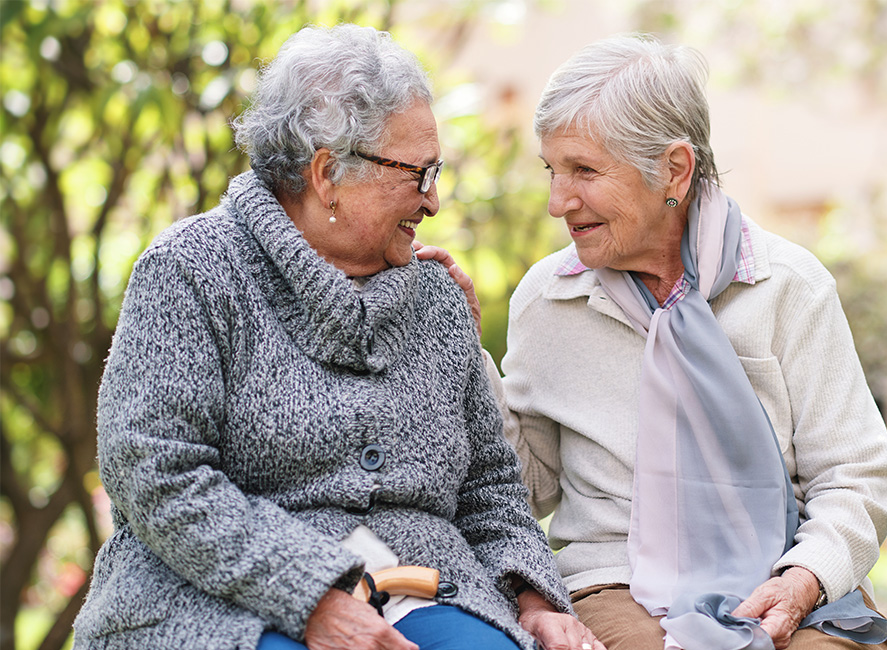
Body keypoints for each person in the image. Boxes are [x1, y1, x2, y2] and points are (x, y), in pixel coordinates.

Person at [71, 24, 604, 650]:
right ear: (327, 174)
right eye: (419, 174)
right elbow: (158, 475)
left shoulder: (433, 295)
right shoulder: (191, 272)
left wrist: (535, 600)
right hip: (223, 595)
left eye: (437, 172)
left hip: (428, 586)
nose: (433, 201)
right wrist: (313, 598)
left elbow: (489, 485)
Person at [421, 34, 887, 650]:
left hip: (782, 573)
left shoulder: (788, 287)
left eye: (584, 171)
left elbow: (855, 477)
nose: (556, 202)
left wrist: (803, 579)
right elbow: (524, 487)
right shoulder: (548, 300)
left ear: (674, 169)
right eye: (552, 170)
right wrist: (463, 350)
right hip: (614, 583)